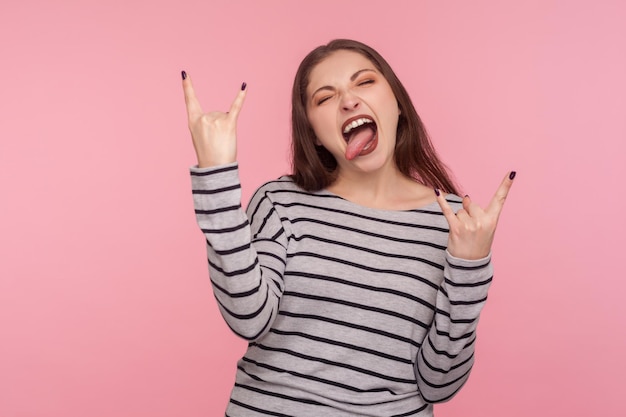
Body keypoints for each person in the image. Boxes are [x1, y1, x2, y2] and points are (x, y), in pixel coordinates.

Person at [182, 39, 514, 417]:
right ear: (313, 131)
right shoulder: (281, 201)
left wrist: (469, 268)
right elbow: (248, 318)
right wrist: (216, 177)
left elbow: (439, 382)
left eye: (364, 82)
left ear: (398, 104)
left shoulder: (453, 222)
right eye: (324, 98)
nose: (348, 100)